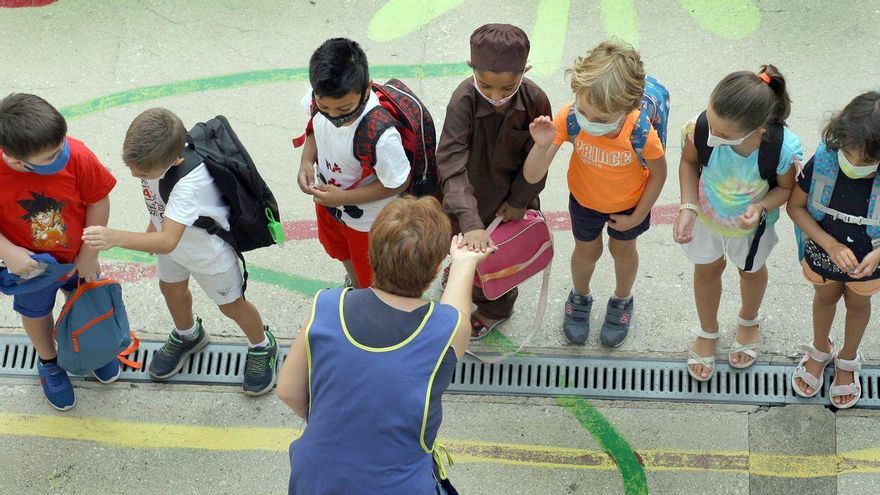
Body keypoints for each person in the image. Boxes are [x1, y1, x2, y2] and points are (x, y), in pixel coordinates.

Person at [277, 196, 493, 494]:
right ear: (433, 272)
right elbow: (455, 313)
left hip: (314, 480)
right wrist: (463, 261)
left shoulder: (326, 306)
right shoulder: (446, 329)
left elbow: (287, 391)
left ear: (371, 253)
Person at [81, 108, 277, 396]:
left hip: (207, 254)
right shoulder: (152, 161)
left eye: (142, 172)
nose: (136, 174)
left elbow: (169, 241)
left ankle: (262, 344)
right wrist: (152, 225)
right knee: (171, 290)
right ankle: (188, 335)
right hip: (173, 246)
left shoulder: (190, 185)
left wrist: (115, 237)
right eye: (133, 168)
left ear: (175, 159)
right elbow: (160, 204)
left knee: (231, 306)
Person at [523, 39, 668, 347]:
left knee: (623, 252)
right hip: (584, 201)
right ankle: (580, 296)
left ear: (628, 108)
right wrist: (540, 145)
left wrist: (639, 215)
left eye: (601, 119)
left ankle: (622, 300)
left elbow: (658, 173)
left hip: (629, 206)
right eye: (584, 109)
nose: (590, 121)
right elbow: (533, 175)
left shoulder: (641, 131)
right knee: (586, 253)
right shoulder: (571, 117)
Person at [672, 66, 801, 382]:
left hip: (751, 229)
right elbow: (689, 162)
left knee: (751, 272)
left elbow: (785, 188)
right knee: (706, 270)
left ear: (758, 129)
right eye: (710, 124)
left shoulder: (781, 150)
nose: (712, 136)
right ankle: (708, 329)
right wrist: (688, 206)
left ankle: (748, 321)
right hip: (707, 218)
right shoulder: (699, 128)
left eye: (724, 135)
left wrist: (760, 206)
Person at [0, 93, 117, 410]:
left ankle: (94, 347)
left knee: (86, 300)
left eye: (61, 143)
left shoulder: (77, 155)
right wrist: (7, 250)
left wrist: (89, 255)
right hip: (33, 267)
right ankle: (49, 362)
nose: (61, 154)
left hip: (79, 256)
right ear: (13, 159)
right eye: (51, 156)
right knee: (36, 313)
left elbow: (98, 199)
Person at [436, 23, 552, 339]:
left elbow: (538, 160)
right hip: (466, 201)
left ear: (524, 71)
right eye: (486, 86)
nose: (496, 96)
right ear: (471, 68)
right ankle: (467, 279)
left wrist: (518, 201)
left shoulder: (536, 100)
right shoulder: (463, 99)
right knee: (464, 247)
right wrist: (469, 220)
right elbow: (451, 162)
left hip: (509, 204)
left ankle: (495, 310)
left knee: (501, 264)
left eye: (508, 87)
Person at [295, 38, 411, 289]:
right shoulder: (321, 97)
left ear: (366, 90)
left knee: (368, 267)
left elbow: (398, 183)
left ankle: (365, 292)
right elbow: (315, 126)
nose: (335, 117)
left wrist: (344, 198)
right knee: (340, 249)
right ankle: (355, 281)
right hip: (330, 202)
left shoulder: (380, 133)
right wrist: (306, 160)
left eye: (345, 108)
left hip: (366, 219)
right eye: (326, 107)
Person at [789, 92, 880, 409]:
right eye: (848, 153)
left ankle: (848, 357)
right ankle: (819, 348)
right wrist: (829, 243)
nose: (853, 163)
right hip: (821, 254)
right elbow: (796, 208)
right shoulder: (825, 159)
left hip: (869, 265)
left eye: (865, 161)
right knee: (824, 299)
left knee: (858, 306)